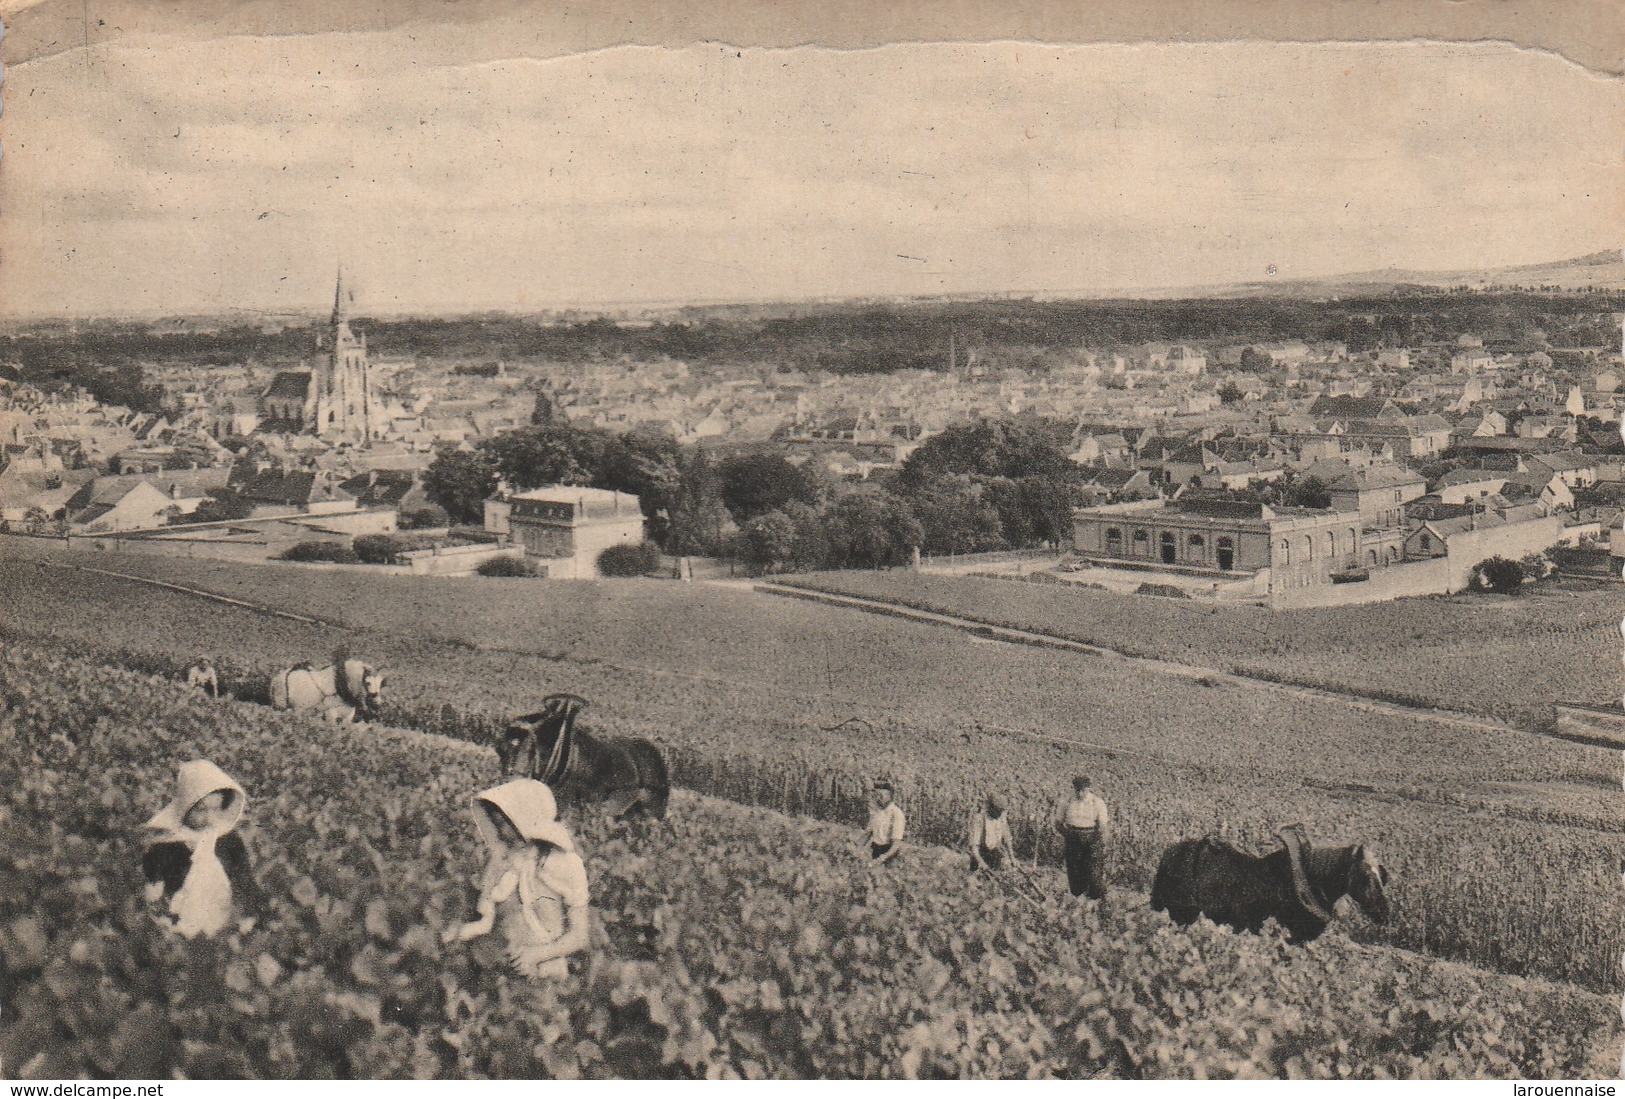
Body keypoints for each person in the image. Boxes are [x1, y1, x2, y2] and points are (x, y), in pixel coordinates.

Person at [442, 778, 589, 980]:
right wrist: (460, 933)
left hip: (545, 969)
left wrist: (536, 955)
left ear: (525, 817)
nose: (500, 831)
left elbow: (580, 936)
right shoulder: (500, 863)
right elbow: (488, 922)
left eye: (505, 823)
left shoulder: (560, 863)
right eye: (496, 823)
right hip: (501, 967)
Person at [141, 760, 261, 937]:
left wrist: (249, 915)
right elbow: (154, 890)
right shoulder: (166, 846)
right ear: (186, 807)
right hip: (180, 925)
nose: (208, 818)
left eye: (214, 810)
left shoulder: (228, 840)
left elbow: (243, 878)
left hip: (224, 922)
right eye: (201, 810)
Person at [1058, 775, 1109, 902]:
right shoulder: (1067, 801)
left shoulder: (1097, 803)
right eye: (1077, 790)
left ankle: (1096, 901)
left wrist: (1094, 840)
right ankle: (1078, 902)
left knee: (1093, 873)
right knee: (1075, 872)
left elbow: (1102, 825)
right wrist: (1068, 834)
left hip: (1092, 838)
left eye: (1083, 790)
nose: (1080, 793)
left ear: (1089, 789)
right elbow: (1058, 823)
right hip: (1072, 838)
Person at [968, 793, 1014, 873]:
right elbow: (974, 847)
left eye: (1001, 811)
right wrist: (982, 863)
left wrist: (1012, 858)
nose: (1000, 813)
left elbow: (1007, 840)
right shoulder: (979, 819)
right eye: (998, 810)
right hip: (980, 854)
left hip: (994, 853)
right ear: (991, 807)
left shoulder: (1001, 819)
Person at [865, 779, 905, 864]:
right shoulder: (877, 812)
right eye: (876, 796)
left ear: (889, 796)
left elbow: (896, 845)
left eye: (881, 796)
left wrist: (881, 859)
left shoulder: (896, 814)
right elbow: (868, 833)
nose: (878, 799)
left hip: (889, 856)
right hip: (875, 852)